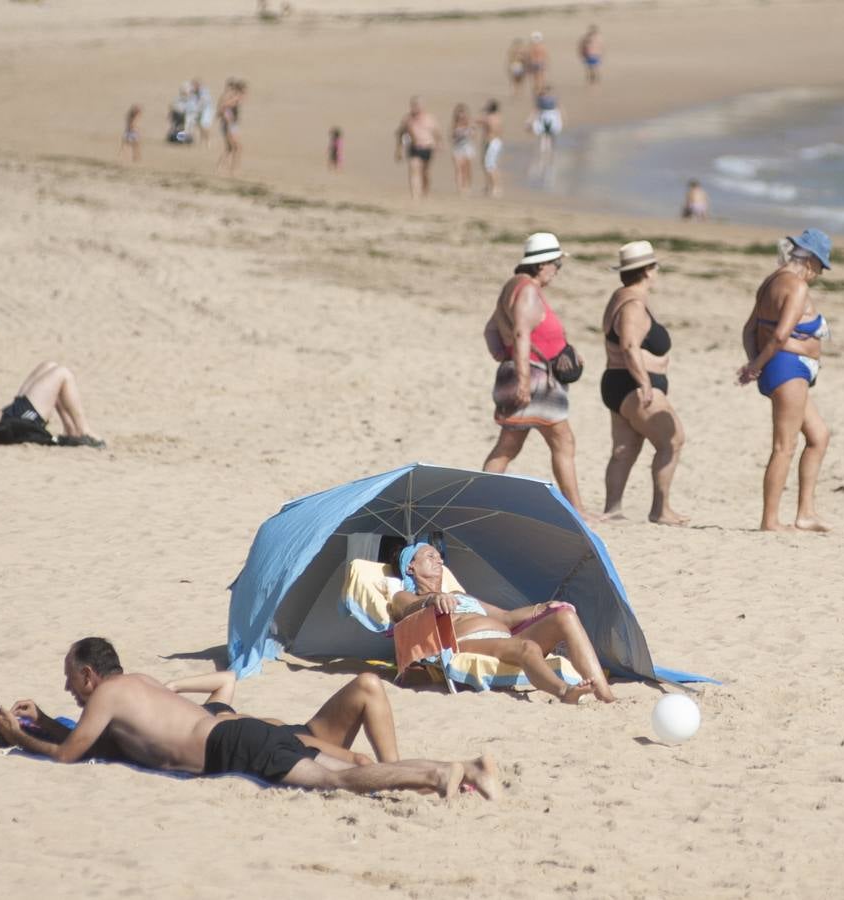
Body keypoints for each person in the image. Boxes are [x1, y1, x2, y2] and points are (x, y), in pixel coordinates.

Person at [0, 637, 501, 798]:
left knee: (337, 781)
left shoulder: (108, 694)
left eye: (68, 680)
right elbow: (85, 737)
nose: (67, 690)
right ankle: (470, 768)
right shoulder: (138, 685)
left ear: (88, 675)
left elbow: (69, 754)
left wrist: (21, 737)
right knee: (340, 772)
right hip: (238, 734)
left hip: (233, 747)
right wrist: (45, 717)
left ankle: (437, 773)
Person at [386, 543, 616, 704]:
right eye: (430, 556)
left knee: (564, 615)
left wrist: (544, 607)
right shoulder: (406, 597)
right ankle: (565, 692)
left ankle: (605, 695)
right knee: (527, 648)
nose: (439, 560)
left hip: (504, 637)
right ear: (410, 567)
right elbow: (405, 610)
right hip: (466, 642)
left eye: (439, 556)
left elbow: (506, 617)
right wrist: (433, 600)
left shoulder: (459, 594)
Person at [482, 233, 593, 519]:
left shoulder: (511, 287)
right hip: (535, 378)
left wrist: (502, 357)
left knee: (507, 445)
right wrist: (522, 376)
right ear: (542, 264)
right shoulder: (528, 291)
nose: (557, 270)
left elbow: (491, 330)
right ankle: (577, 511)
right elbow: (521, 333)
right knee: (563, 441)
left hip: (518, 370)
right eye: (557, 264)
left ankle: (481, 500)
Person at [737, 229, 834, 532]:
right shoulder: (796, 286)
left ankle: (806, 513)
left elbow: (749, 329)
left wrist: (756, 364)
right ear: (810, 261)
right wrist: (757, 365)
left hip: (784, 368)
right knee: (784, 446)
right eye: (820, 267)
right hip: (787, 369)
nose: (819, 274)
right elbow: (780, 335)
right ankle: (770, 521)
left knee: (819, 436)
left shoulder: (770, 282)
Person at [600, 242, 687, 524]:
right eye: (654, 266)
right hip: (631, 384)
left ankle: (613, 509)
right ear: (648, 271)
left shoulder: (620, 296)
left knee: (625, 449)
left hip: (619, 383)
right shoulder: (633, 304)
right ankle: (660, 510)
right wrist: (645, 382)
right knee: (672, 440)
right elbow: (628, 346)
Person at [168, 671, 401, 766]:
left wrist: (174, 686)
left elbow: (227, 679)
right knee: (360, 762)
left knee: (368, 683)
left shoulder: (210, 707)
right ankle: (393, 779)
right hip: (284, 745)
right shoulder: (191, 730)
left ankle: (395, 768)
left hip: (306, 731)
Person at [394, 96, 440, 199]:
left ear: (422, 106)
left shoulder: (430, 119)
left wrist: (438, 145)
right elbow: (400, 134)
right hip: (414, 148)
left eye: (417, 105)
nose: (415, 107)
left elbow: (437, 134)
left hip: (427, 148)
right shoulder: (407, 119)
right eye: (413, 105)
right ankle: (415, 196)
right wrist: (398, 149)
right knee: (414, 169)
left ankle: (425, 194)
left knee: (425, 173)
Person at [529, 86, 563, 178]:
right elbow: (536, 110)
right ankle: (544, 152)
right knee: (544, 135)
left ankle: (550, 153)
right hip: (544, 116)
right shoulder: (540, 99)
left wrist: (560, 118)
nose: (546, 94)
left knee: (551, 135)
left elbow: (558, 108)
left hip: (552, 117)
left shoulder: (553, 99)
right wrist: (530, 120)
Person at [216, 79, 247, 174]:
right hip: (228, 125)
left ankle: (223, 168)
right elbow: (223, 108)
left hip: (231, 124)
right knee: (236, 147)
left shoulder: (231, 97)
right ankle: (232, 169)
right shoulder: (231, 97)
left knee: (231, 148)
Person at [478, 100, 504, 198]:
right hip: (497, 142)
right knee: (490, 164)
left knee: (490, 165)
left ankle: (496, 187)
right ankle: (490, 186)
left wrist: (482, 110)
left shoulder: (489, 118)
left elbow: (478, 120)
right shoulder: (498, 118)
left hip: (491, 143)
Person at [450, 104, 476, 194]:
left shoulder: (470, 123)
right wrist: (456, 136)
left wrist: (468, 131)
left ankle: (467, 186)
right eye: (459, 114)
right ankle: (460, 188)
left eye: (462, 113)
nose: (461, 116)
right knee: (458, 168)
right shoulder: (455, 124)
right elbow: (452, 136)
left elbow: (473, 135)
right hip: (457, 148)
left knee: (467, 169)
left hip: (467, 147)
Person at [526, 32, 549, 96]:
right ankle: (541, 90)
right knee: (541, 77)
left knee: (536, 78)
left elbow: (530, 56)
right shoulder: (542, 46)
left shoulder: (532, 47)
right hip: (541, 62)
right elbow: (545, 56)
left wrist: (529, 65)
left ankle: (538, 90)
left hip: (534, 63)